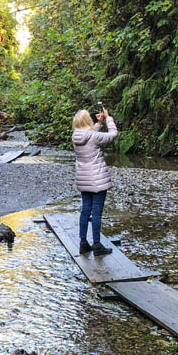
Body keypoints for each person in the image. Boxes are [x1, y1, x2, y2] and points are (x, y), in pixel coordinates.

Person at [72, 106, 118, 256]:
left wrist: (99, 124)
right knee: (97, 212)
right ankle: (97, 245)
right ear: (87, 121)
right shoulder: (93, 136)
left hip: (84, 179)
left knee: (85, 210)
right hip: (97, 179)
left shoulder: (76, 137)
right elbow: (112, 134)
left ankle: (83, 243)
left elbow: (90, 136)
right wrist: (108, 118)